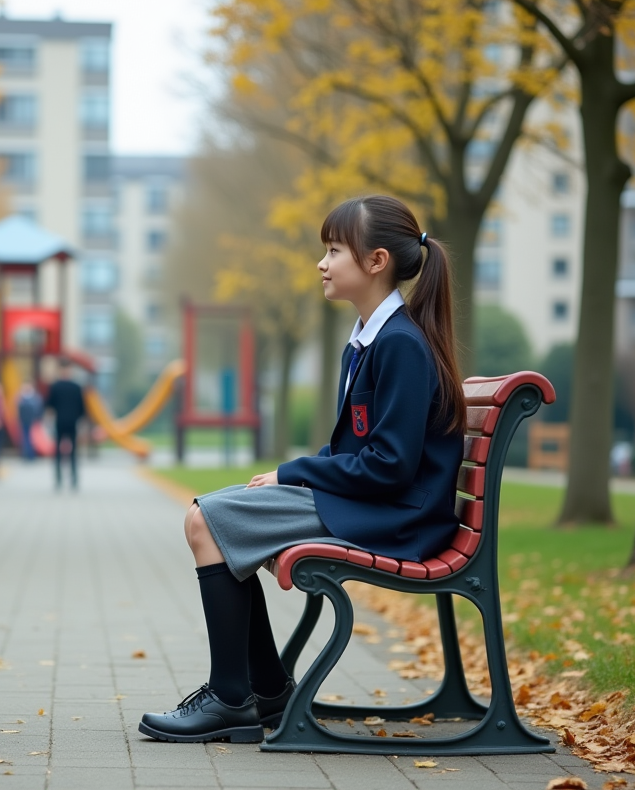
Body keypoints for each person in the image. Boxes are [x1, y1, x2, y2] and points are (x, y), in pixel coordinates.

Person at [139, 195, 466, 744]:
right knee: (214, 520)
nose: (323, 262)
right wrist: (296, 473)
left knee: (205, 522)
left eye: (335, 250)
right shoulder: (369, 342)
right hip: (375, 504)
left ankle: (232, 698)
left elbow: (389, 466)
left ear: (376, 261)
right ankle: (263, 691)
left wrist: (296, 474)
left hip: (397, 518)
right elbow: (358, 454)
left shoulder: (400, 346)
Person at [45, 358, 86, 490]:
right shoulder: (75, 387)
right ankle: (60, 478)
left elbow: (49, 406)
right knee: (60, 451)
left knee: (70, 451)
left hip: (66, 422)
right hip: (65, 422)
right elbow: (82, 409)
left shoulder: (58, 386)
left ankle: (70, 479)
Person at [16, 381, 42, 460]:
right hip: (24, 420)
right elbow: (19, 410)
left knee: (32, 438)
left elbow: (39, 409)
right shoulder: (21, 397)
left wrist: (37, 419)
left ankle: (32, 454)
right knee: (25, 438)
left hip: (33, 421)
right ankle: (26, 454)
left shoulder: (35, 397)